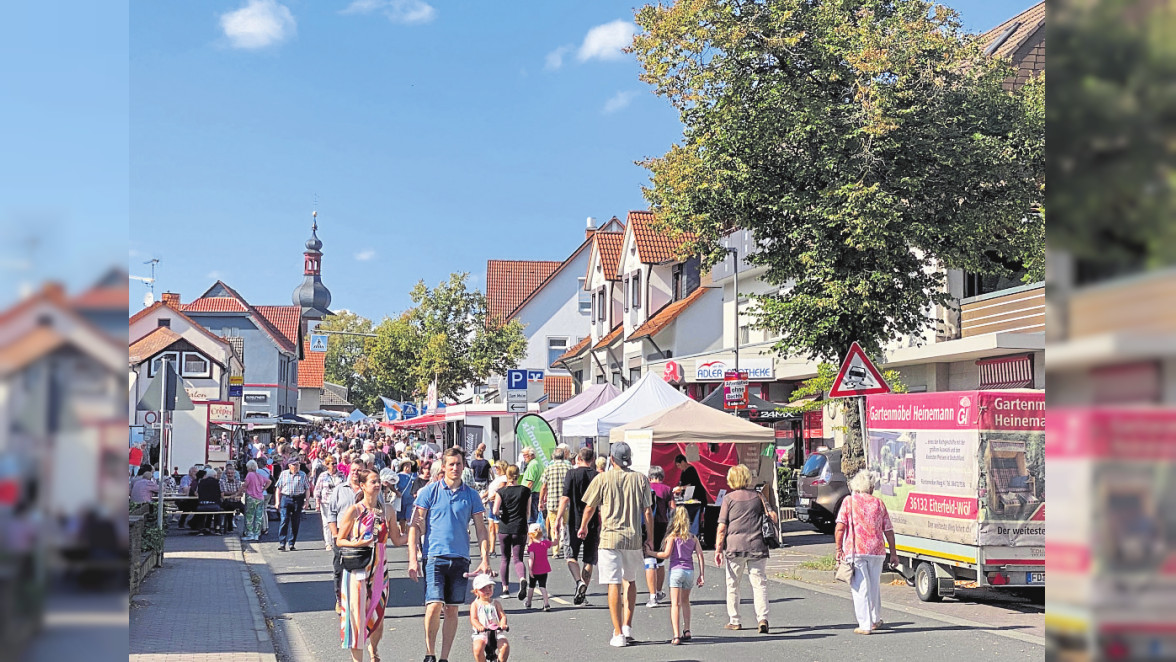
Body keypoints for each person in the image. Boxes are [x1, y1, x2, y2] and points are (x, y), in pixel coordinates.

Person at [408, 447, 492, 662]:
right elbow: (415, 527)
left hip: (460, 557)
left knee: (453, 610)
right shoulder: (429, 492)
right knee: (434, 604)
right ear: (443, 466)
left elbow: (481, 529)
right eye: (451, 464)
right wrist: (412, 559)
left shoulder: (471, 495)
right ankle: (430, 653)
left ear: (464, 466)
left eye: (458, 464)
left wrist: (485, 558)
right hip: (434, 556)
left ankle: (444, 657)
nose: (455, 468)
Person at [578, 442, 654, 647]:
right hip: (633, 537)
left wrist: (583, 526)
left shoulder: (602, 478)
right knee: (630, 580)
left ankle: (618, 632)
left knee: (614, 583)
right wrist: (650, 538)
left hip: (610, 537)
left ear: (612, 459)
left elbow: (589, 507)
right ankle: (627, 626)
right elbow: (647, 511)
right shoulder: (640, 479)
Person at [336, 468, 407, 662]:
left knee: (378, 611)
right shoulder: (355, 510)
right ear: (362, 486)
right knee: (356, 616)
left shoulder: (388, 510)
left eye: (378, 481)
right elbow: (340, 540)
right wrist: (357, 543)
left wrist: (418, 530)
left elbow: (397, 539)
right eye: (373, 482)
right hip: (358, 567)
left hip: (379, 568)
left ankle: (373, 650)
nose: (377, 485)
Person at [714, 463, 777, 633]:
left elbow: (722, 528)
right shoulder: (758, 496)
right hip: (757, 545)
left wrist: (718, 549)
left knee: (733, 584)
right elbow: (774, 517)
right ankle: (762, 618)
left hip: (734, 548)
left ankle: (735, 620)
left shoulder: (728, 499)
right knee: (759, 583)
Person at [835, 471, 897, 635]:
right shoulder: (878, 503)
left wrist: (839, 549)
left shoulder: (849, 502)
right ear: (871, 487)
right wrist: (894, 553)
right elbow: (888, 530)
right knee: (874, 586)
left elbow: (840, 527)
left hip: (857, 550)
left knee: (860, 587)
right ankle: (875, 619)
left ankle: (865, 625)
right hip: (877, 551)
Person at [655, 506, 705, 645]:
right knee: (685, 602)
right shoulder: (693, 537)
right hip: (689, 571)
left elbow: (665, 555)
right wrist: (701, 574)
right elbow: (700, 556)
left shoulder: (672, 537)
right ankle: (687, 629)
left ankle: (676, 635)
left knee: (675, 604)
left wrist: (651, 553)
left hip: (676, 571)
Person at [555, 447, 598, 606]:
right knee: (589, 559)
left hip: (574, 520)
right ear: (592, 460)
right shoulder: (597, 476)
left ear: (578, 459)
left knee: (570, 555)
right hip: (592, 522)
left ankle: (578, 581)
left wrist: (558, 518)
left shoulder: (571, 474)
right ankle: (583, 591)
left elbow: (565, 498)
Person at [492, 465, 531, 599]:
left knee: (504, 558)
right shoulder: (525, 491)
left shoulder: (501, 491)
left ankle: (505, 589)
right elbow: (528, 512)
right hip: (519, 527)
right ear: (518, 475)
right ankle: (522, 579)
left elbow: (494, 511)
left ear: (506, 475)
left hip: (504, 527)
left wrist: (501, 514)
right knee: (518, 558)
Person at [645, 465, 674, 607]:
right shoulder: (668, 489)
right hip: (663, 525)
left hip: (647, 525)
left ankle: (652, 597)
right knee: (660, 559)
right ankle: (658, 590)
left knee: (649, 559)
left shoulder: (645, 487)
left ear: (650, 476)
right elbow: (673, 509)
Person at [537, 447, 571, 557]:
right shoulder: (569, 467)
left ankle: (555, 551)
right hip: (565, 501)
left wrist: (541, 501)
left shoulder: (549, 468)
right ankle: (564, 544)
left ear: (553, 457)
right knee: (564, 525)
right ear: (564, 456)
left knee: (553, 526)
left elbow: (544, 486)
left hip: (552, 501)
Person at [469, 574, 509, 662]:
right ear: (476, 592)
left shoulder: (496, 603)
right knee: (478, 649)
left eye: (489, 587)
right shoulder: (475, 604)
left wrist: (503, 624)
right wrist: (479, 626)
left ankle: (501, 660)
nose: (487, 590)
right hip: (481, 633)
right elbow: (474, 618)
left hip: (496, 632)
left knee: (504, 646)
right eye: (483, 588)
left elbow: (502, 616)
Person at [274, 459, 311, 551]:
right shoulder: (284, 474)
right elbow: (278, 488)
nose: (297, 467)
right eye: (294, 465)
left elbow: (307, 489)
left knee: (295, 522)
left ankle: (291, 543)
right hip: (286, 498)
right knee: (284, 520)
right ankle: (282, 543)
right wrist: (277, 501)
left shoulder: (302, 475)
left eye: (298, 465)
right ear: (290, 466)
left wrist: (306, 501)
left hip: (298, 499)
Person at [673, 454, 710, 537]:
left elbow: (692, 484)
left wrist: (681, 488)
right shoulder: (683, 472)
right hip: (687, 498)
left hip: (697, 497)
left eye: (679, 465)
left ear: (683, 462)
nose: (678, 467)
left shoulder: (692, 470)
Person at [315, 456, 344, 551]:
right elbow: (317, 490)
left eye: (336, 463)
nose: (335, 465)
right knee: (327, 523)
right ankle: (328, 543)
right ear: (327, 465)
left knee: (338, 522)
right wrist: (317, 503)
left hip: (339, 502)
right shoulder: (323, 476)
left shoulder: (341, 475)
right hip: (326, 502)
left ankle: (336, 540)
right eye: (332, 464)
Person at [524, 522, 553, 611]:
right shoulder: (545, 543)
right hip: (544, 569)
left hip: (535, 569)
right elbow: (554, 543)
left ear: (530, 535)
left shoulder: (532, 546)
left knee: (531, 587)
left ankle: (528, 602)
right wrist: (555, 533)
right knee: (542, 586)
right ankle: (546, 603)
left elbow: (531, 559)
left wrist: (530, 569)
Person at [484, 461, 510, 558]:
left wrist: (490, 497)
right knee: (491, 527)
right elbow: (491, 489)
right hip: (492, 503)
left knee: (499, 528)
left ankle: (507, 547)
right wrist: (483, 496)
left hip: (497, 504)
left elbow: (500, 490)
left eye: (497, 467)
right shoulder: (497, 478)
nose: (495, 469)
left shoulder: (504, 478)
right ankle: (492, 550)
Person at [242, 460, 270, 541]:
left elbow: (245, 484)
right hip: (260, 497)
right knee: (258, 516)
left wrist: (240, 490)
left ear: (250, 467)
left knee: (249, 516)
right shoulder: (259, 475)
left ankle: (249, 533)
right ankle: (256, 534)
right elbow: (269, 481)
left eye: (247, 467)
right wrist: (263, 489)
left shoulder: (249, 474)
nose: (247, 469)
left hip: (251, 497)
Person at [194, 468, 224, 535]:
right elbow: (222, 494)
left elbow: (196, 493)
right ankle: (217, 529)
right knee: (219, 510)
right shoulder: (218, 482)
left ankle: (201, 529)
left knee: (201, 512)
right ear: (214, 476)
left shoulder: (201, 482)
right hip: (214, 505)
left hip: (202, 505)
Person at [519, 447, 542, 525]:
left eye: (525, 455)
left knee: (532, 518)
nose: (524, 457)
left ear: (531, 455)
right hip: (535, 492)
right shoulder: (537, 463)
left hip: (532, 493)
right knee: (534, 516)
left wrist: (525, 495)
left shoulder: (532, 465)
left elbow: (530, 482)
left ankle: (533, 535)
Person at [219, 464, 244, 533]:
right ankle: (229, 528)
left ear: (234, 473)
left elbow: (241, 493)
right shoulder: (222, 481)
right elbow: (224, 492)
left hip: (237, 501)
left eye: (231, 473)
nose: (230, 475)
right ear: (226, 474)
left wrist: (236, 493)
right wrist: (236, 492)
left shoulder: (238, 481)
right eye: (228, 473)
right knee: (229, 509)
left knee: (245, 510)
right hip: (227, 501)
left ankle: (248, 529)